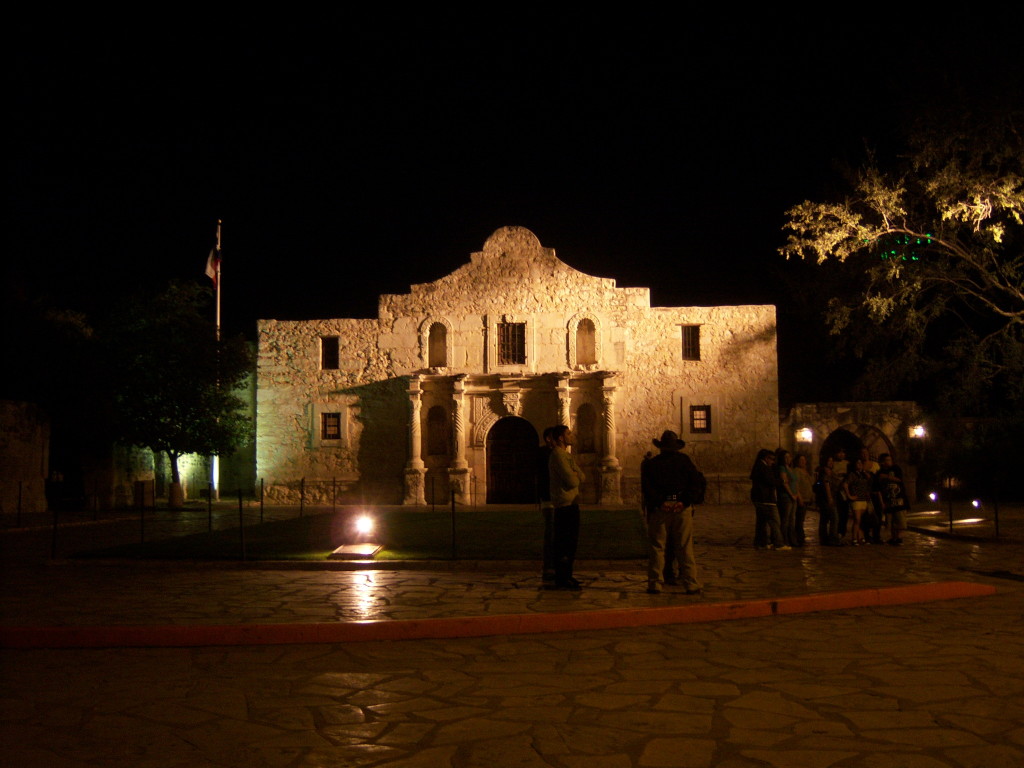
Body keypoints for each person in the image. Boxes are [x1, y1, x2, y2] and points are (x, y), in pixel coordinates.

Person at [642, 430, 703, 594]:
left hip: (661, 510)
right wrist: (683, 501)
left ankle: (655, 583)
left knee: (657, 547)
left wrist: (662, 502)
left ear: (661, 446)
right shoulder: (685, 462)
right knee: (684, 546)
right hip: (680, 509)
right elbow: (695, 484)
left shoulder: (653, 464)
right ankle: (690, 582)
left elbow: (648, 488)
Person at [548, 425, 587, 590]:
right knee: (564, 543)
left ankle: (567, 575)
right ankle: (562, 577)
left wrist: (576, 475)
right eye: (568, 434)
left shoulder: (566, 455)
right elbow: (573, 481)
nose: (571, 436)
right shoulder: (558, 455)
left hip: (571, 504)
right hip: (564, 505)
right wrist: (575, 475)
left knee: (571, 543)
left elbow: (582, 476)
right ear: (561, 438)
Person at [750, 449, 788, 550]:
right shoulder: (763, 467)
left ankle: (761, 543)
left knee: (761, 522)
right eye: (771, 459)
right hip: (765, 499)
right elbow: (770, 481)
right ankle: (779, 543)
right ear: (766, 458)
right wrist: (782, 480)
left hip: (759, 498)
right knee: (775, 521)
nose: (773, 461)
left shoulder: (758, 466)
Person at [875, 453, 909, 545]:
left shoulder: (896, 469)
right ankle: (894, 537)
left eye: (889, 460)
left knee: (900, 520)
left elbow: (899, 480)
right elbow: (878, 489)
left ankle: (899, 537)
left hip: (898, 499)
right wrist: (882, 502)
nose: (888, 462)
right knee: (891, 521)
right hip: (888, 499)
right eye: (886, 460)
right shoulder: (879, 473)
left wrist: (887, 477)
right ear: (882, 462)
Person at [537, 427, 556, 582]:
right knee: (550, 533)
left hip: (556, 497)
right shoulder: (545, 454)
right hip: (550, 498)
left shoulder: (554, 454)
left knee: (556, 534)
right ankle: (549, 566)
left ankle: (554, 566)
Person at [842, 457, 872, 545]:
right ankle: (854, 538)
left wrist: (865, 474)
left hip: (864, 499)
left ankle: (861, 537)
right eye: (858, 463)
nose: (859, 465)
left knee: (861, 520)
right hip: (856, 500)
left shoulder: (863, 474)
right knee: (857, 519)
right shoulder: (852, 474)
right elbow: (845, 484)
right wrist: (849, 496)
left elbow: (869, 482)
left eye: (861, 463)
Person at [814, 457, 841, 545]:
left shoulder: (830, 472)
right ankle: (832, 539)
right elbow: (827, 484)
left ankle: (824, 539)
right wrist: (830, 498)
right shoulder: (824, 472)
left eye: (832, 460)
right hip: (826, 498)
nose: (831, 462)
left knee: (824, 519)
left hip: (831, 497)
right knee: (834, 518)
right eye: (829, 460)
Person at [775, 449, 798, 547]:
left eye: (789, 457)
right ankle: (784, 539)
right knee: (785, 520)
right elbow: (785, 482)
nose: (788, 459)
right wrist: (791, 494)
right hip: (786, 497)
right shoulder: (782, 468)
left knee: (792, 520)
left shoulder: (790, 468)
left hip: (793, 496)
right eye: (785, 457)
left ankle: (792, 539)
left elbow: (794, 482)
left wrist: (796, 494)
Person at [793, 453, 813, 547]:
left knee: (801, 518)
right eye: (801, 460)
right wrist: (799, 497)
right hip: (801, 498)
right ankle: (799, 538)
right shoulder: (797, 471)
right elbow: (796, 485)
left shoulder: (805, 471)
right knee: (799, 519)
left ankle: (800, 537)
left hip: (806, 498)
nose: (803, 461)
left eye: (804, 460)